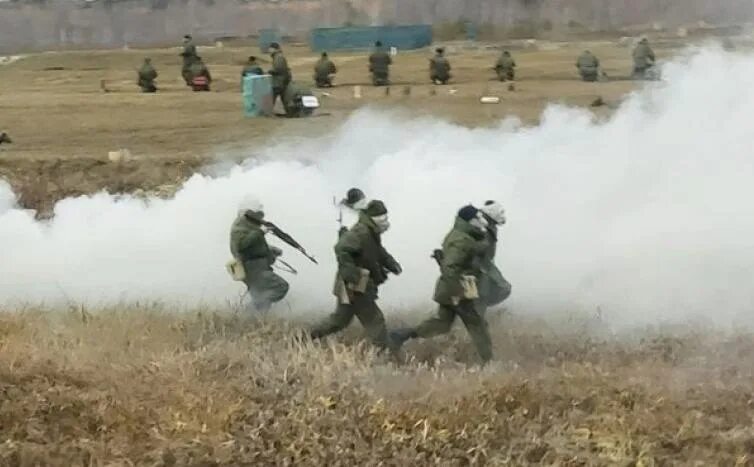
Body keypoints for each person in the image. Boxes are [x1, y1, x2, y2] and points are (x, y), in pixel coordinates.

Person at [391, 205, 493, 364]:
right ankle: (489, 361)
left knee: (442, 323)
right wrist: (457, 293)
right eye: (479, 217)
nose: (482, 220)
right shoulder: (462, 240)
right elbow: (450, 267)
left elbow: (468, 253)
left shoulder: (460, 235)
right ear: (470, 221)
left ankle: (402, 335)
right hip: (457, 289)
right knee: (477, 325)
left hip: (449, 288)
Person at [310, 200, 402, 351]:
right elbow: (341, 248)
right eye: (384, 219)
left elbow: (378, 251)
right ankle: (385, 352)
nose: (387, 222)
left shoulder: (370, 233)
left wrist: (392, 264)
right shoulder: (362, 231)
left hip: (354, 284)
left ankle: (307, 336)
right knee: (374, 319)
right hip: (356, 284)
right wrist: (351, 276)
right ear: (375, 219)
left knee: (340, 320)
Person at [229, 196, 290, 313]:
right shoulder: (239, 227)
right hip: (253, 269)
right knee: (281, 287)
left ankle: (250, 320)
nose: (260, 216)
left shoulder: (248, 226)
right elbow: (241, 245)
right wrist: (260, 232)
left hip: (258, 267)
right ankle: (251, 310)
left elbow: (253, 245)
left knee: (262, 299)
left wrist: (270, 250)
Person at [477, 201, 511, 316]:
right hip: (479, 264)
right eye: (500, 212)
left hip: (487, 264)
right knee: (484, 292)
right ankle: (474, 311)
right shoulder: (481, 226)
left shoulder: (490, 226)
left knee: (502, 288)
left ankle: (474, 309)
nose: (502, 215)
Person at [268, 42, 292, 108]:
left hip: (279, 81)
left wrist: (271, 71)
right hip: (282, 80)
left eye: (270, 49)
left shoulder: (278, 57)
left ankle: (268, 111)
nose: (269, 51)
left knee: (272, 96)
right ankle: (289, 110)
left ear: (274, 49)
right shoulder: (278, 56)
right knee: (284, 97)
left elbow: (279, 69)